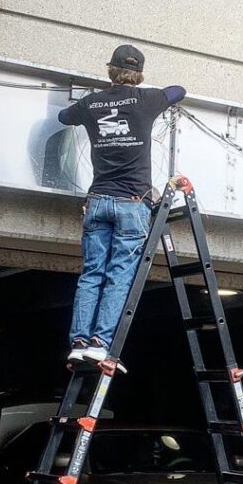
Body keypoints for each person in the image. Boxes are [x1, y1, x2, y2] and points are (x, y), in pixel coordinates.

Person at [58, 44, 185, 363]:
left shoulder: (90, 103)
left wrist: (94, 104)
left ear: (111, 71)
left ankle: (79, 343)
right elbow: (178, 90)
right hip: (132, 203)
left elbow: (63, 116)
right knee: (119, 275)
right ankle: (100, 344)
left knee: (91, 274)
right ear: (138, 75)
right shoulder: (148, 99)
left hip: (98, 200)